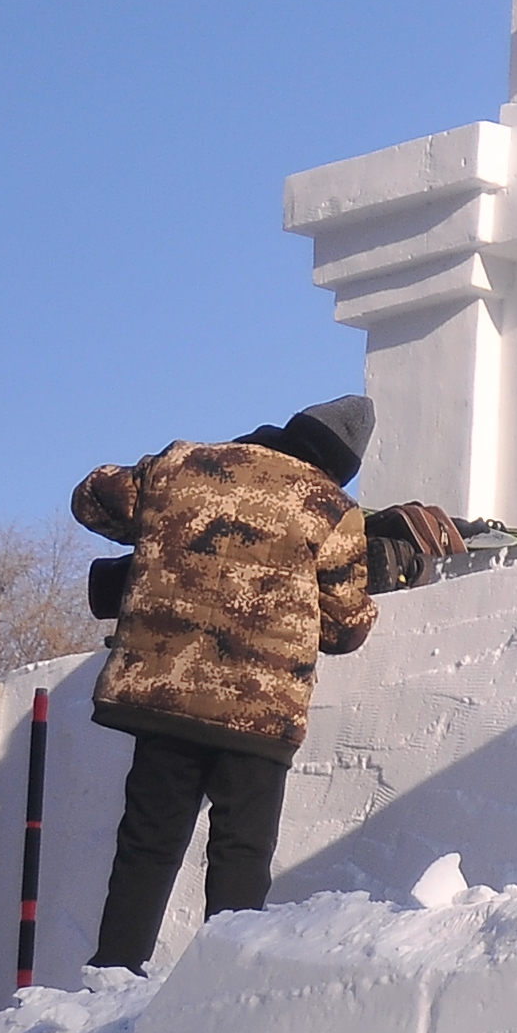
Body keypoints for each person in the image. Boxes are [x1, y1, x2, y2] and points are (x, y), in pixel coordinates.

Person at [73, 396, 381, 971]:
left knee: (147, 843)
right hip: (258, 713)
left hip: (164, 691)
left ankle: (111, 971)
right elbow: (344, 629)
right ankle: (223, 979)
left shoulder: (187, 464)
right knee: (241, 849)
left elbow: (91, 500)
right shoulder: (332, 508)